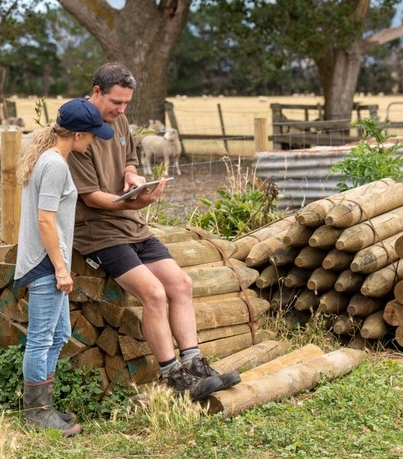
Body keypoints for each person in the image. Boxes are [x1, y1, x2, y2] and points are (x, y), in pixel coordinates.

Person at [67, 63, 241, 402]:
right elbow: (89, 196)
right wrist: (130, 204)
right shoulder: (77, 130)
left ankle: (195, 365)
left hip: (132, 225)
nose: (120, 110)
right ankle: (172, 376)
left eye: (126, 104)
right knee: (154, 294)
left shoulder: (120, 121)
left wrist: (133, 178)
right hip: (98, 231)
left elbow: (129, 159)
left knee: (181, 284)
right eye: (115, 102)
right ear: (96, 91)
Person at [14, 98, 114, 435]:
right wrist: (60, 268)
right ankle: (37, 413)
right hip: (46, 263)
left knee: (59, 334)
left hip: (49, 260)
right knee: (42, 338)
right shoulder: (55, 165)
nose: (94, 140)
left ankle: (46, 404)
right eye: (92, 135)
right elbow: (45, 220)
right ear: (77, 134)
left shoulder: (50, 159)